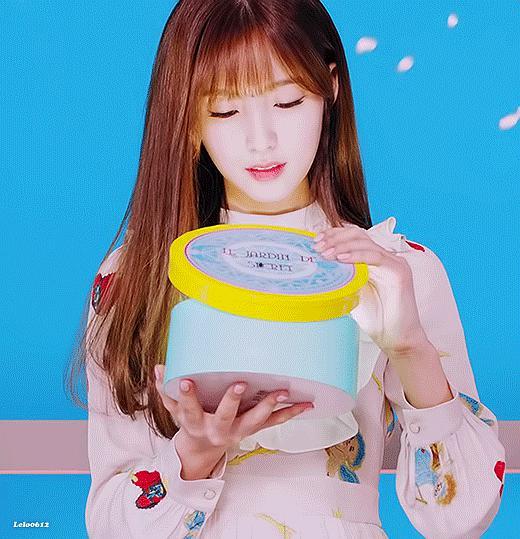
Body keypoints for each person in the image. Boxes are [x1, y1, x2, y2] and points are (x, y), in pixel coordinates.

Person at [70, 1, 506, 537]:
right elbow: (108, 524)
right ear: (187, 119)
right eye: (225, 111)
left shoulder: (394, 271)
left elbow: (461, 517)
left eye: (287, 101)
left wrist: (411, 347)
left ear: (331, 88)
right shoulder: (136, 277)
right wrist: (196, 454)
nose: (262, 140)